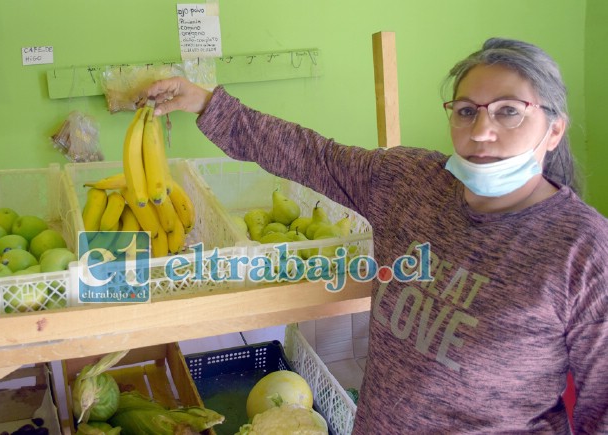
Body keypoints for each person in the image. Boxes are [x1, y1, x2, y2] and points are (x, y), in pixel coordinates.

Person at [146, 38, 608, 433]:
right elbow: (311, 155)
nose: (482, 131)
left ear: (554, 129)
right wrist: (206, 103)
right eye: (466, 111)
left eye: (509, 112)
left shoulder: (583, 251)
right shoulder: (411, 183)